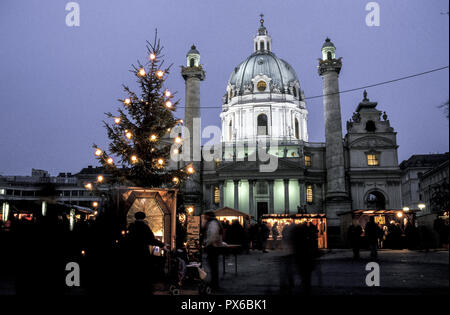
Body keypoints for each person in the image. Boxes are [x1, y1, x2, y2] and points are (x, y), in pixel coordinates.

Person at [126, 211, 169, 294]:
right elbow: (151, 239)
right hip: (142, 253)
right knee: (143, 273)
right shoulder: (145, 227)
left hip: (131, 253)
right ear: (143, 218)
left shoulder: (131, 227)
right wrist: (162, 245)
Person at [203, 211, 223, 289]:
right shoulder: (213, 223)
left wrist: (207, 243)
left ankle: (214, 283)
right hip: (214, 247)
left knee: (213, 265)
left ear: (208, 216)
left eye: (205, 215)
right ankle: (214, 282)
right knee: (213, 266)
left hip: (213, 247)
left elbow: (212, 236)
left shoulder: (212, 224)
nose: (204, 217)